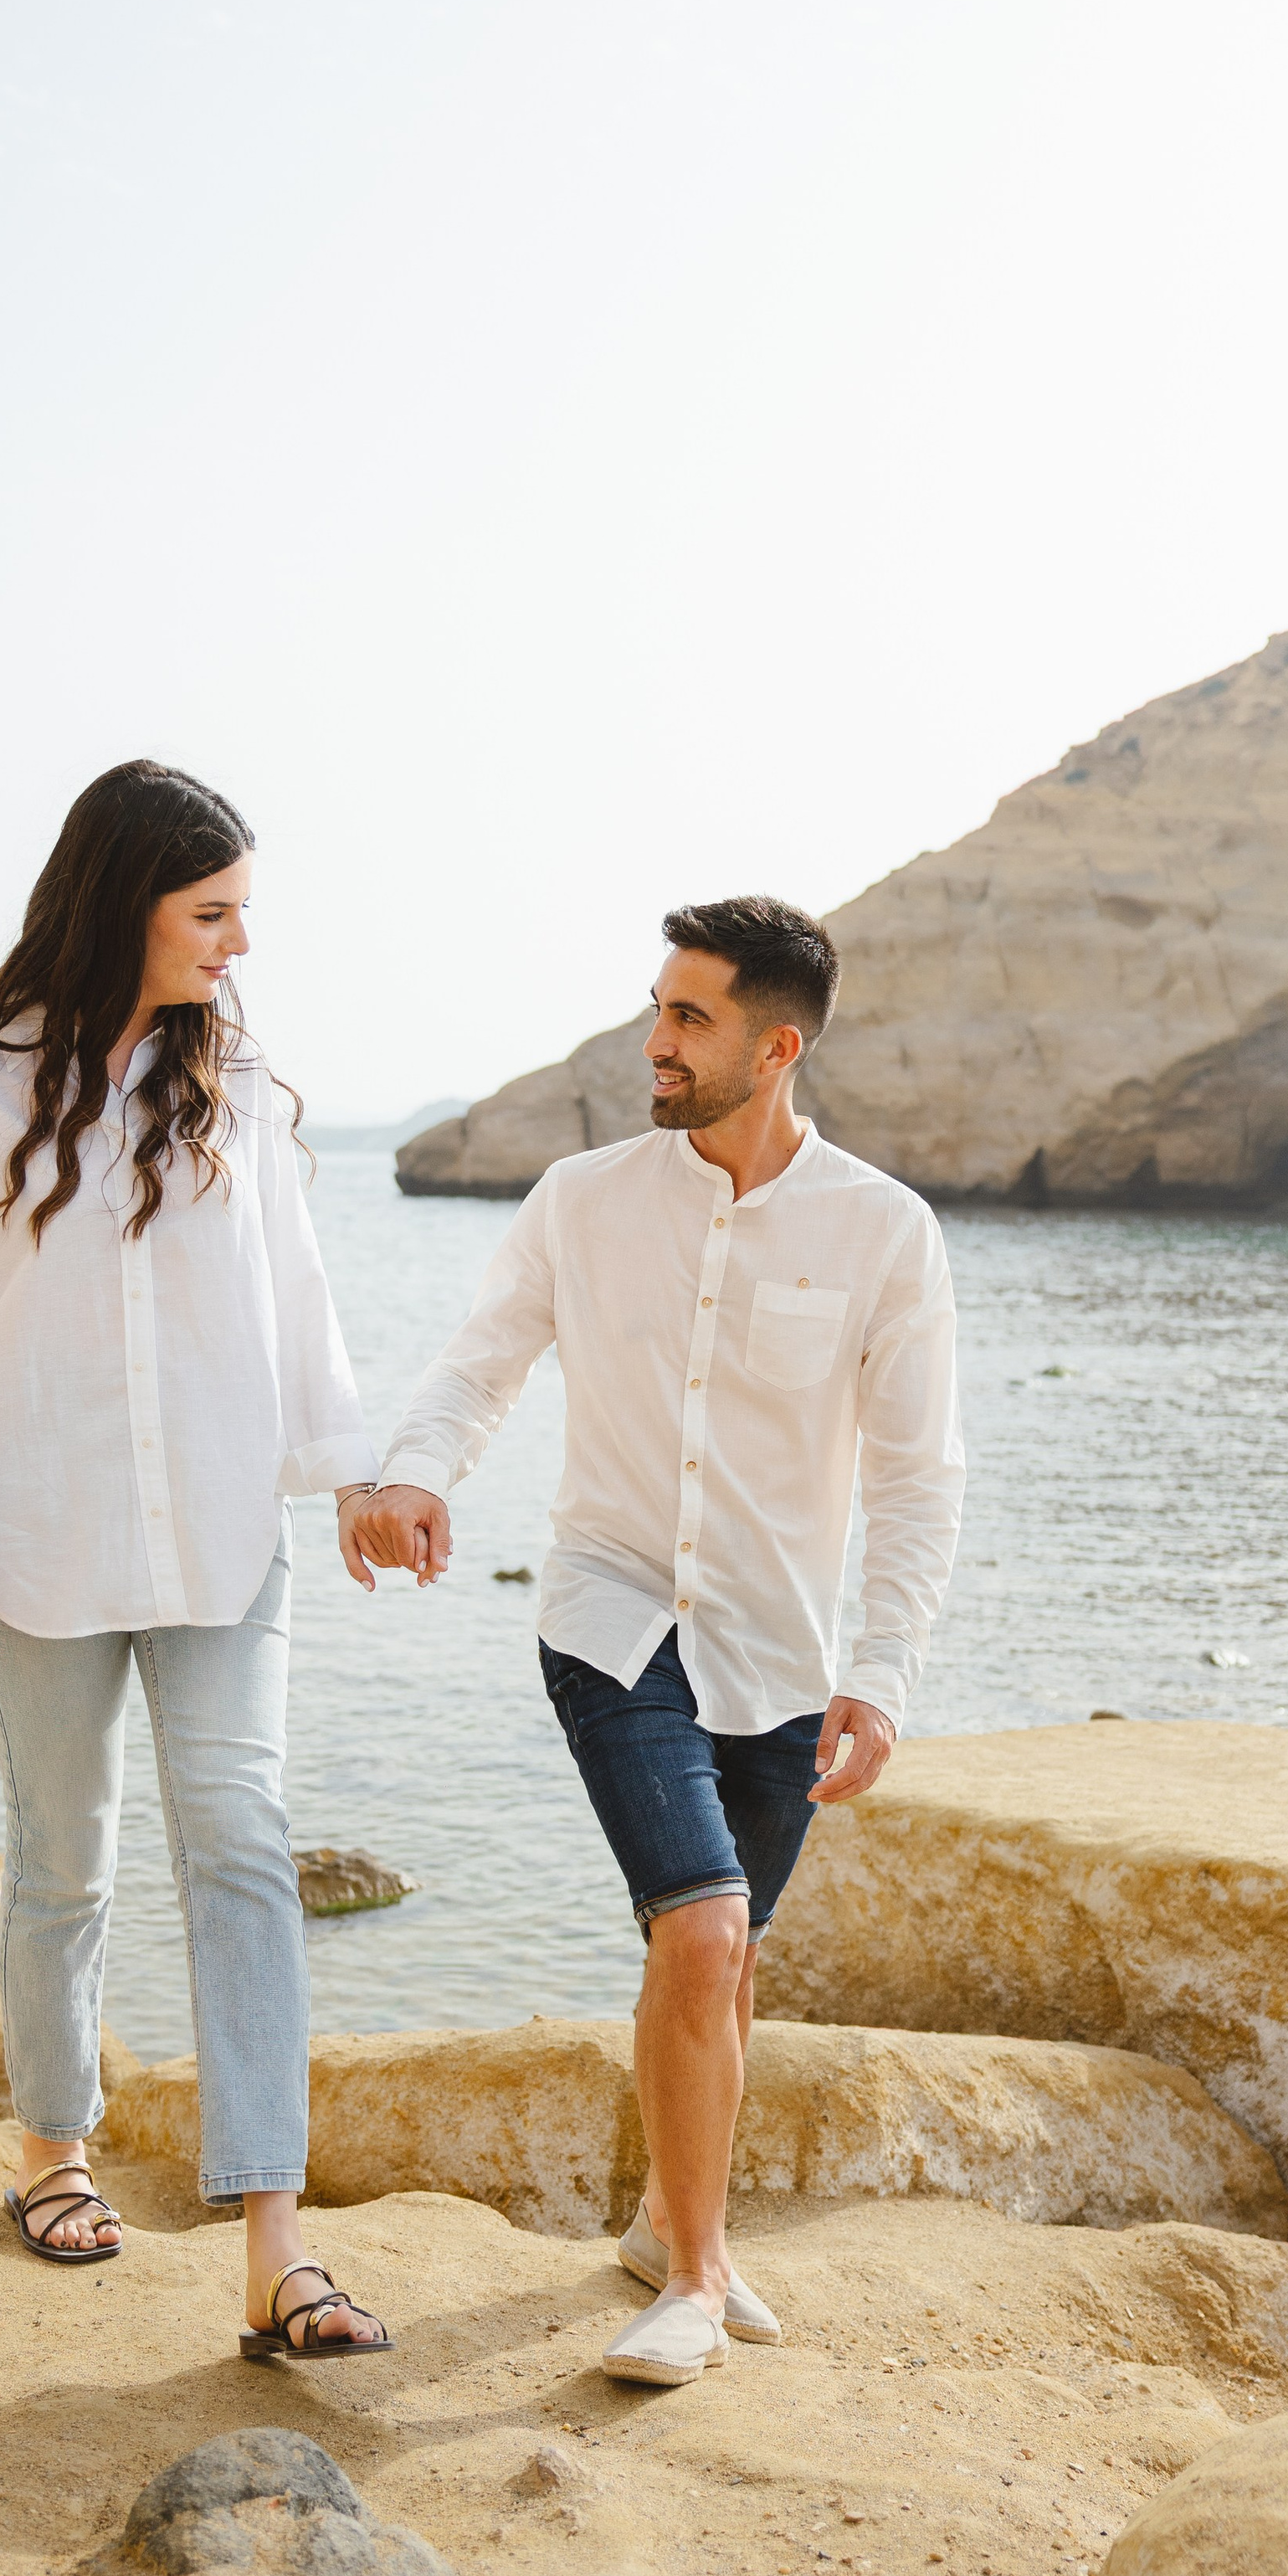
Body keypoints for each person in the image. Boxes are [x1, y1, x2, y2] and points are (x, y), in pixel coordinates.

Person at [341, 896, 961, 2386]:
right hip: (611, 1622)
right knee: (699, 1928)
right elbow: (484, 1361)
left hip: (779, 1647)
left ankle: (657, 2224)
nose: (656, 1040)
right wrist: (418, 1470)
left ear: (778, 1044)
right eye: (660, 1008)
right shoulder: (583, 1198)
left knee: (725, 1963)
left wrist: (879, 1674)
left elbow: (919, 1474)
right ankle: (696, 2277)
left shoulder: (882, 1231)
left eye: (690, 1018)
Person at [0, 759, 392, 2362]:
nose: (239, 944)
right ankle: (54, 2152)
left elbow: (296, 1293)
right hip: (34, 1535)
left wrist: (352, 1474)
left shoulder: (235, 1075)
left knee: (241, 1840)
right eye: (211, 912)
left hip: (231, 1532)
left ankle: (276, 2254)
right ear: (123, 902)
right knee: (65, 1854)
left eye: (244, 914)